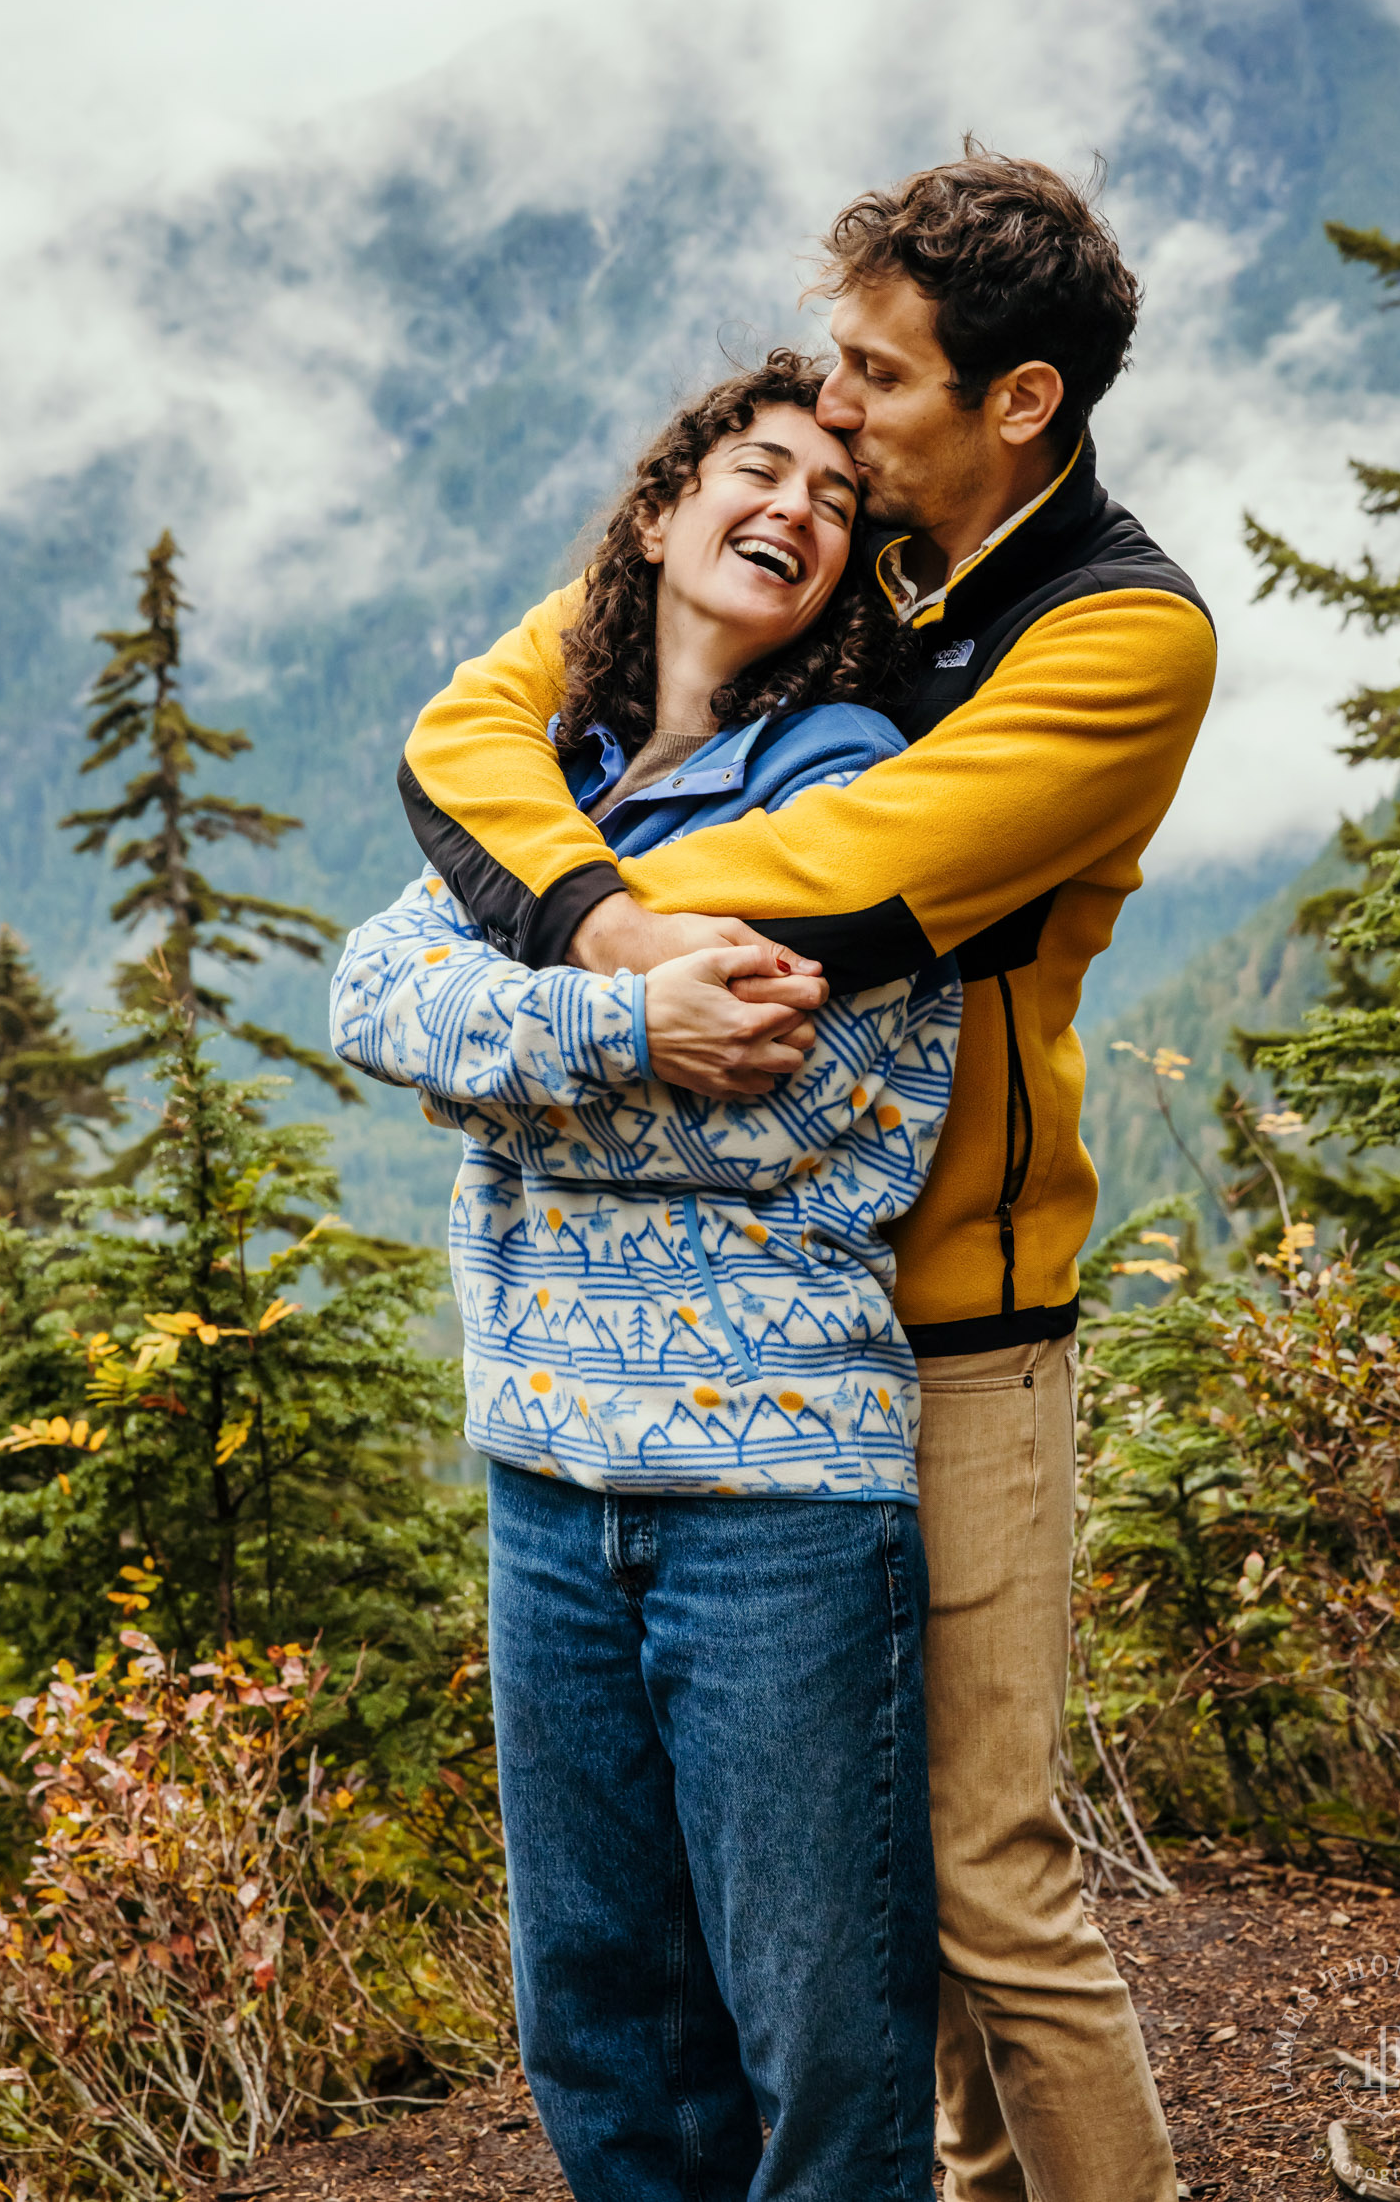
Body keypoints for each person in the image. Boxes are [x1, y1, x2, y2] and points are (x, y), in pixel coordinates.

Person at [397, 143, 1217, 2202]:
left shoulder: (1123, 636)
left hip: (956, 1329)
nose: (828, 414)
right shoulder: (854, 565)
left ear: (1019, 398)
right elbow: (471, 730)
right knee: (867, 1902)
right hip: (773, 1353)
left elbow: (836, 883)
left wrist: (510, 935)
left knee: (986, 1878)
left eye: (874, 377)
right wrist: (581, 939)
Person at [331, 354, 963, 2201]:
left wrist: (511, 1053)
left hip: (774, 1482)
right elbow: (371, 995)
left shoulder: (851, 787)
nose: (798, 509)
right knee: (599, 2027)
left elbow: (803, 1107)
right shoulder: (563, 776)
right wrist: (623, 1024)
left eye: (839, 503)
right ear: (668, 508)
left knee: (824, 2044)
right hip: (543, 1467)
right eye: (758, 470)